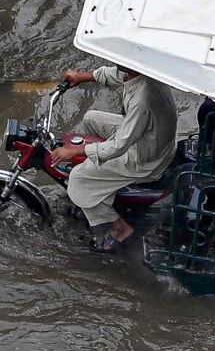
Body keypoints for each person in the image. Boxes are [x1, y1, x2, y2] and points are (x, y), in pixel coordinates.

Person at [51, 64, 178, 249]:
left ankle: (119, 228)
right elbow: (117, 75)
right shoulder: (144, 71)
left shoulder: (142, 101)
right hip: (151, 136)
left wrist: (75, 151)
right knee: (91, 118)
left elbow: (119, 146)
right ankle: (103, 184)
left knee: (77, 179)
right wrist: (82, 77)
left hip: (146, 159)